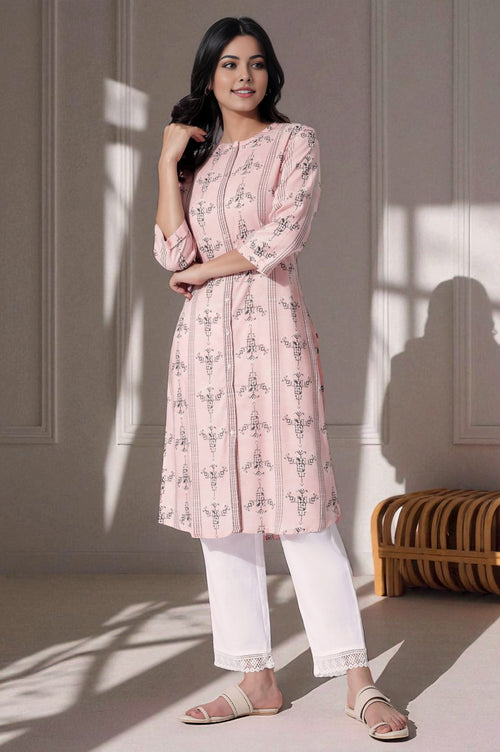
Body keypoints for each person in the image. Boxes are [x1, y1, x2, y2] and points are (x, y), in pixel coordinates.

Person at [153, 16, 409, 741]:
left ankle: (358, 681)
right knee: (222, 516)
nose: (245, 76)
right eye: (230, 64)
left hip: (271, 332)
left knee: (302, 509)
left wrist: (204, 269)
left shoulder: (295, 143)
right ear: (209, 76)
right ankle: (256, 679)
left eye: (257, 63)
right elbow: (170, 253)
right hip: (205, 347)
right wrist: (167, 163)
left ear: (270, 74)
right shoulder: (195, 162)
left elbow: (283, 233)